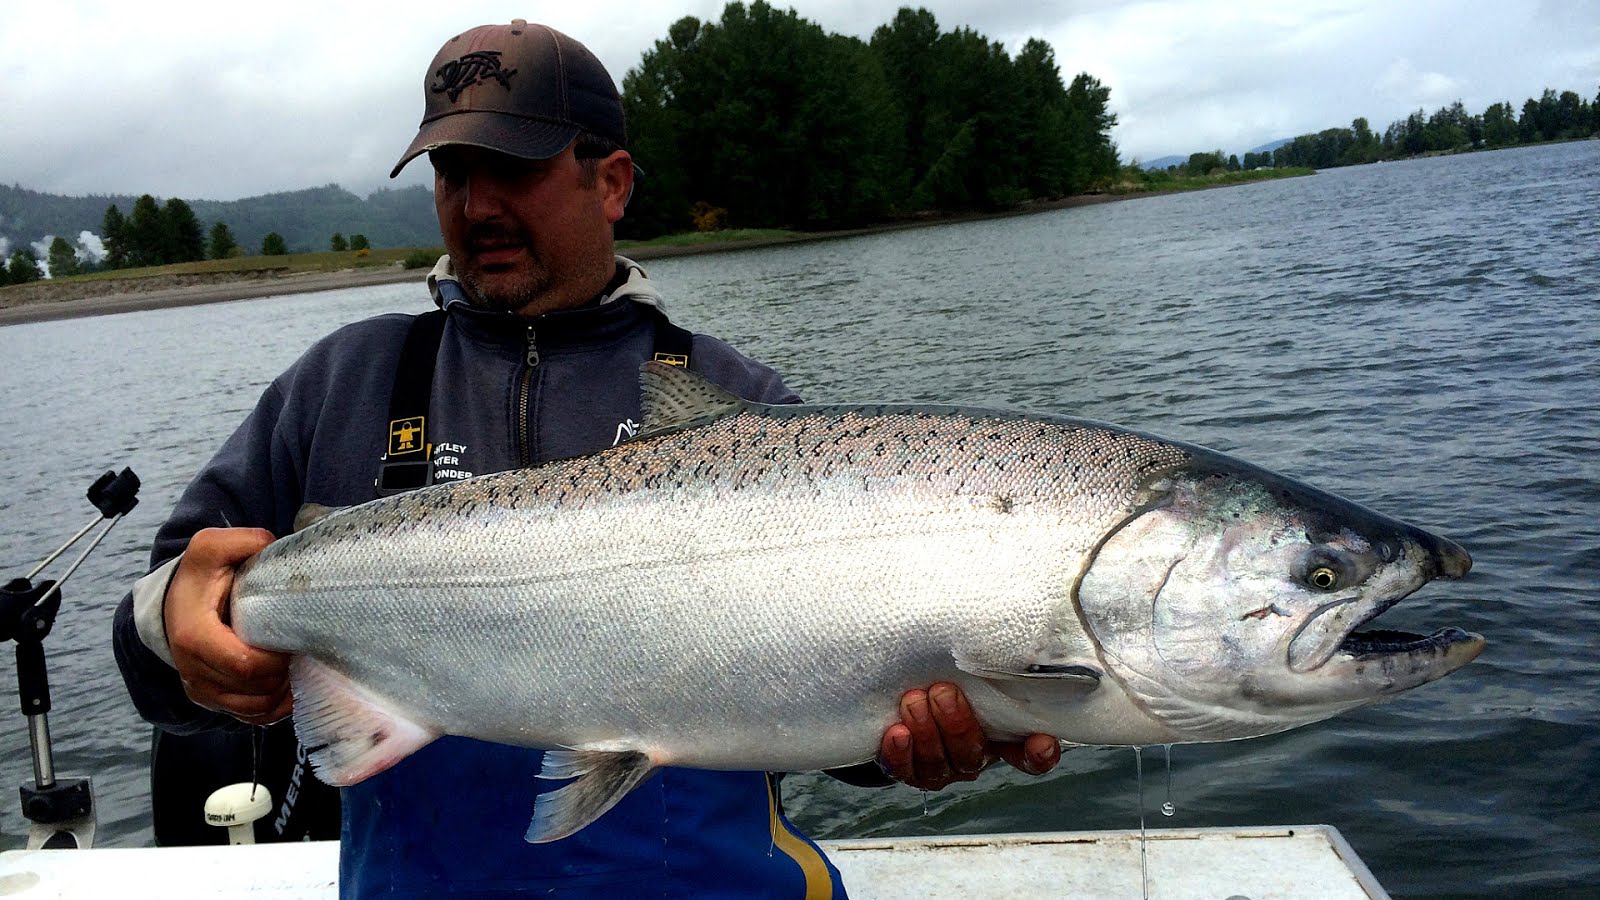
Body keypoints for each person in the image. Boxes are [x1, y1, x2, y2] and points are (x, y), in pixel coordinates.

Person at [112, 19, 1060, 896]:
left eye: (512, 169)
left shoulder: (750, 411)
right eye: (451, 172)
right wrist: (177, 629)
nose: (476, 204)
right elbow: (154, 642)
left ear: (611, 184)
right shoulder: (341, 384)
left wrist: (908, 745)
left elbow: (833, 719)